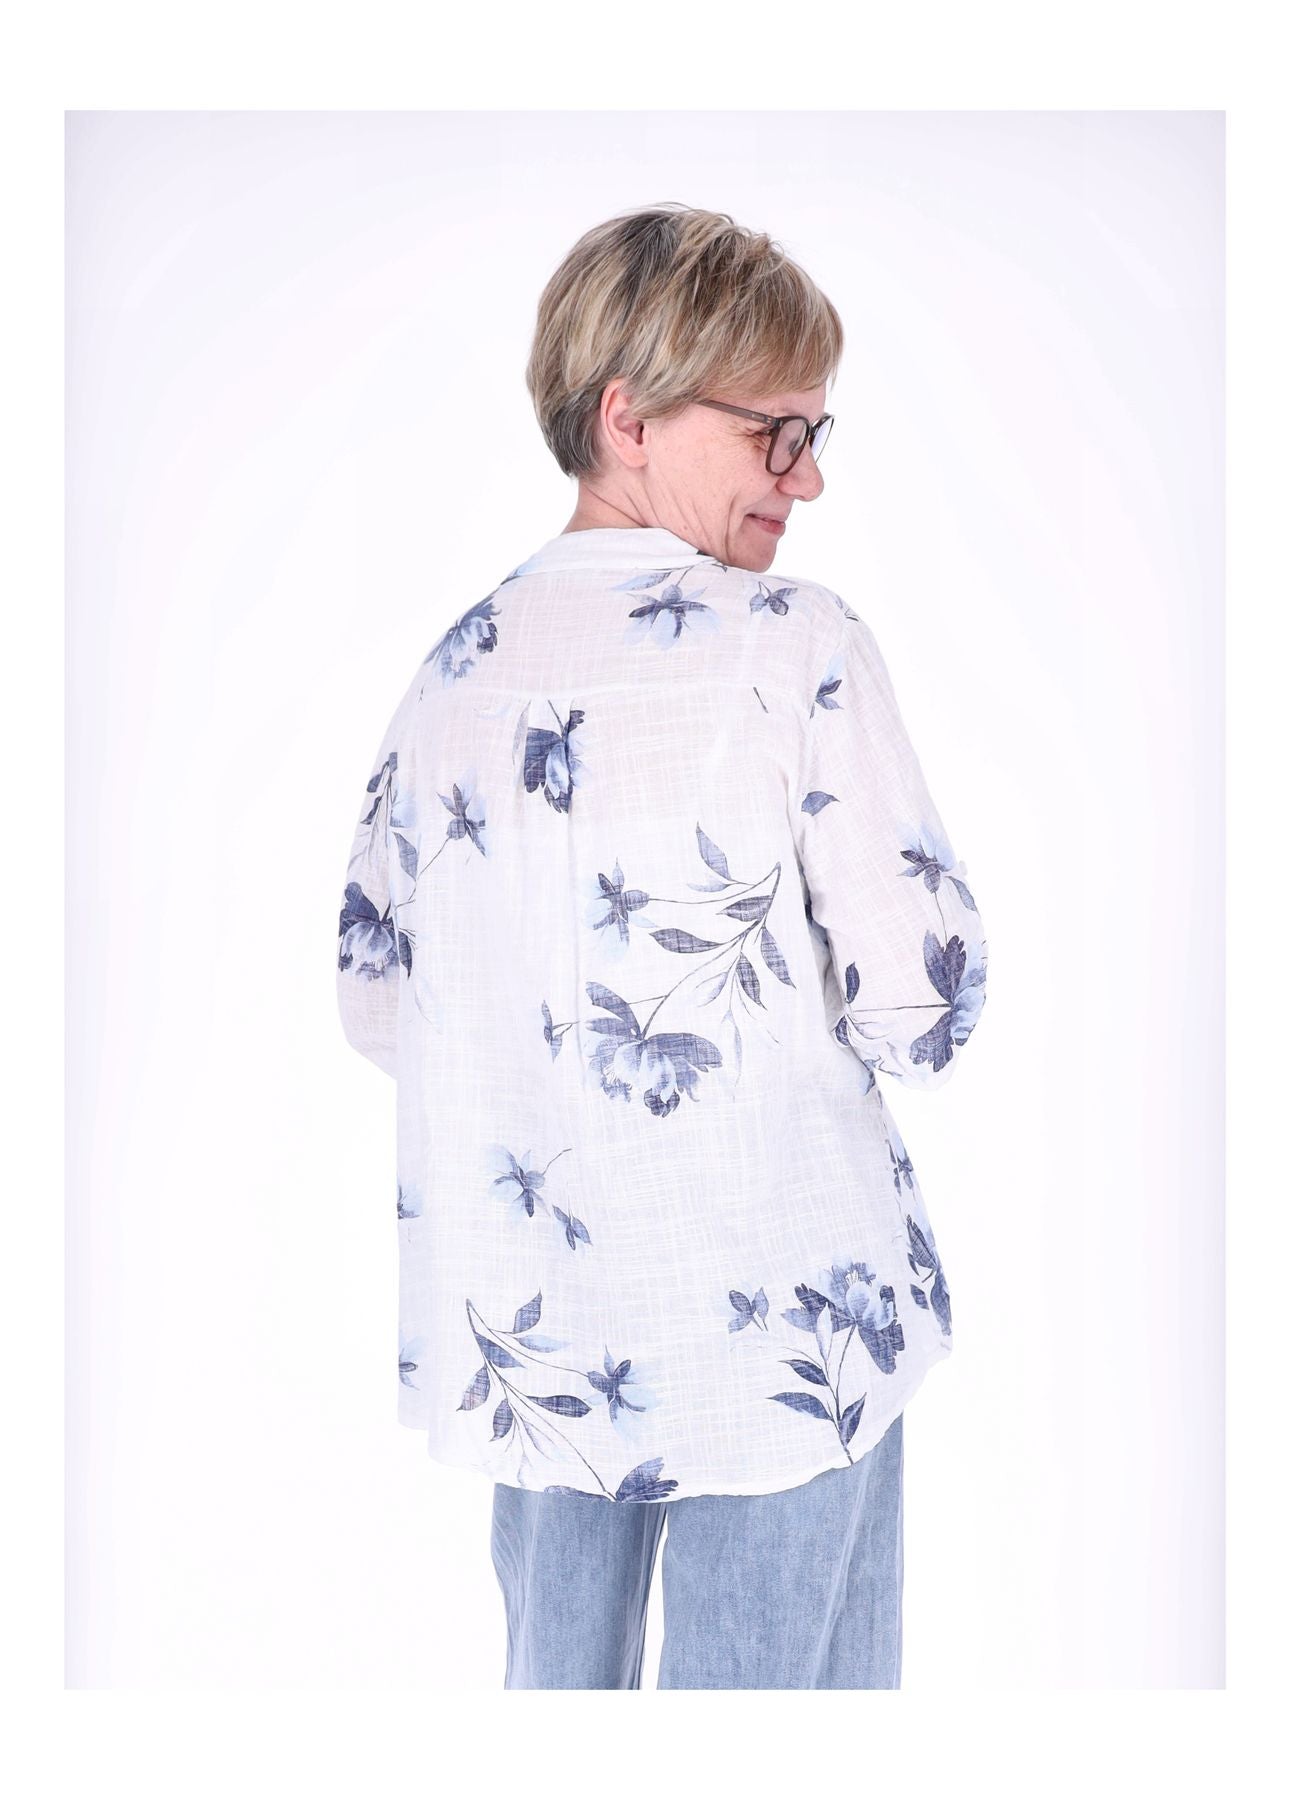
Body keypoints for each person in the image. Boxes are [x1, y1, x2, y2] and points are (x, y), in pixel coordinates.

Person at [336, 202, 989, 1689]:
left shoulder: (451, 674)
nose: (807, 477)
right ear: (627, 418)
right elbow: (922, 1012)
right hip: (787, 1327)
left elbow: (378, 1007)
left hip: (541, 1329)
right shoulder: (792, 646)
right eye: (775, 433)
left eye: (816, 432)